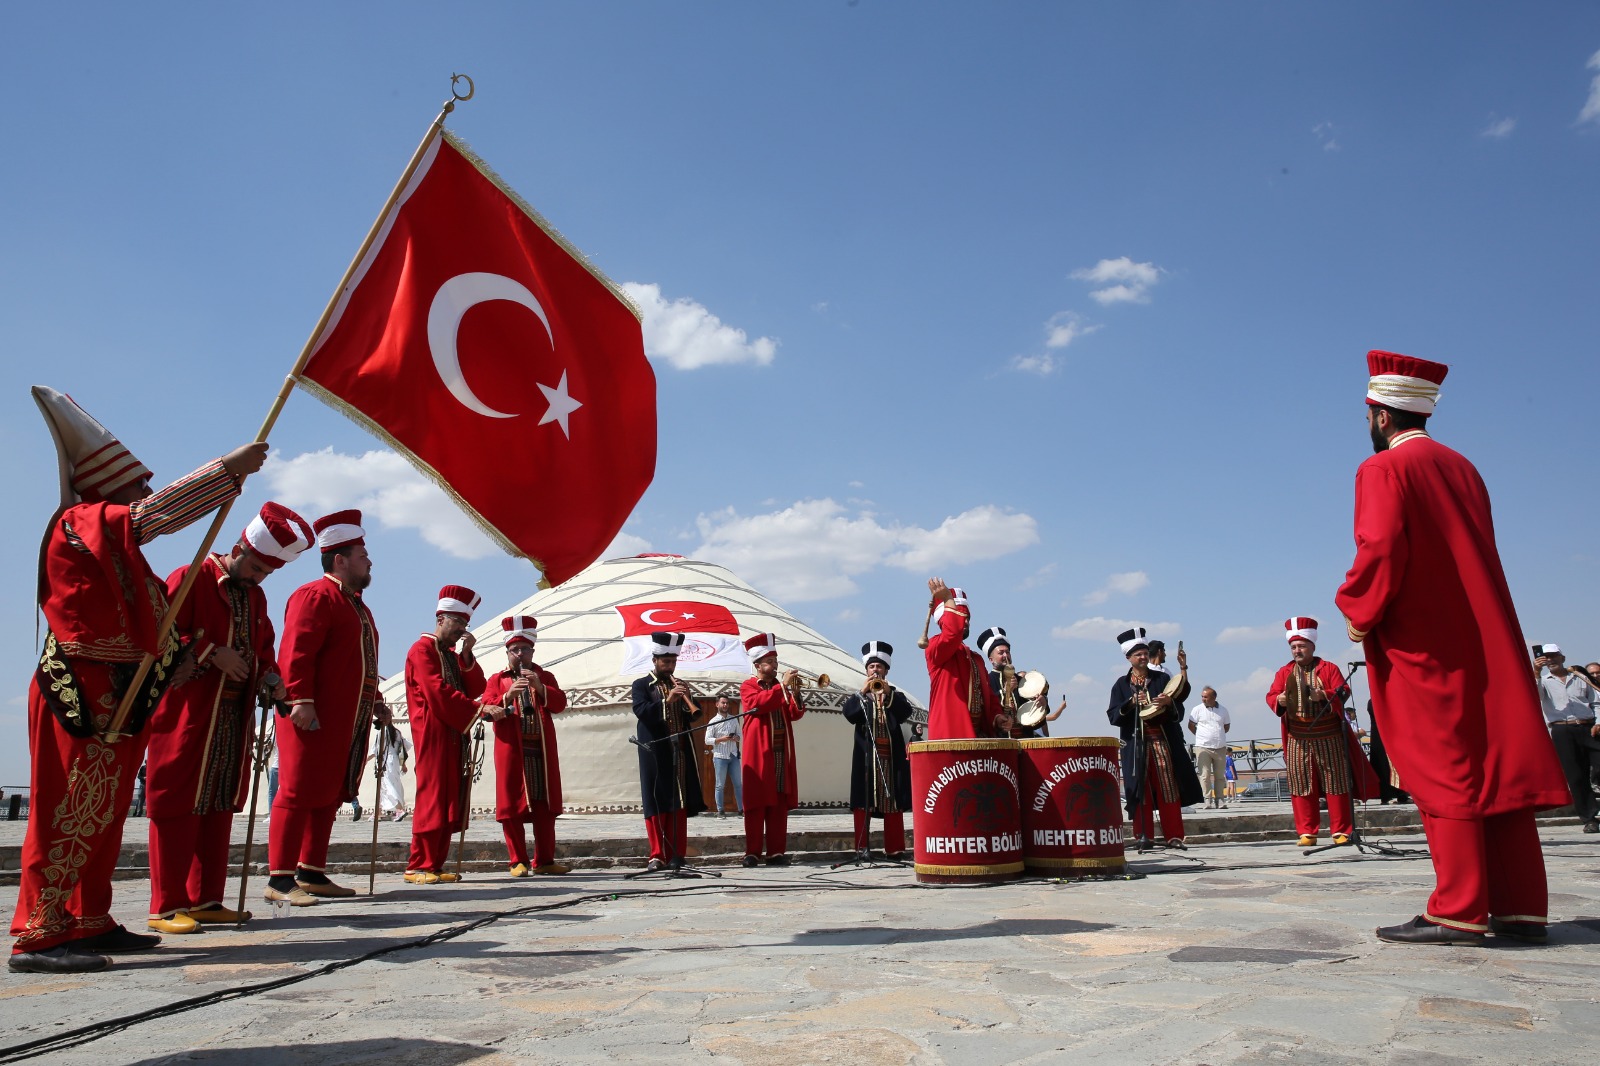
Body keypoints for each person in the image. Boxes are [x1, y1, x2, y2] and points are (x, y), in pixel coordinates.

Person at [11, 387, 263, 974]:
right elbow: (154, 517)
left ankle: (88, 917)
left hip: (119, 694)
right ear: (108, 488)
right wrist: (225, 472)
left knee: (103, 811)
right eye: (137, 484)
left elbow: (155, 619)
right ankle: (39, 931)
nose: (145, 493)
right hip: (80, 689)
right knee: (66, 811)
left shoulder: (119, 553)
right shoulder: (81, 522)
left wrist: (179, 662)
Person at [1336, 349, 1567, 945]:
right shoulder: (1464, 466)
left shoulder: (1383, 470)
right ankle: (1520, 905)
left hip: (1425, 642)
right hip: (1484, 634)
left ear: (1380, 416)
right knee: (1494, 760)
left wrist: (1357, 611)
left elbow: (1381, 549)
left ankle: (1459, 905)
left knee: (1446, 766)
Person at [144, 503, 312, 935]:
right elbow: (159, 630)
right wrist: (208, 653)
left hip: (232, 715)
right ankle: (166, 905)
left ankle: (206, 898)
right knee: (179, 802)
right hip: (189, 712)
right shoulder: (190, 576)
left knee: (218, 802)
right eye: (255, 567)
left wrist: (271, 677)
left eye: (266, 574)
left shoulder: (255, 596)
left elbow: (263, 649)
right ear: (238, 548)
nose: (258, 578)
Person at [268, 510, 383, 907]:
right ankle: (279, 878)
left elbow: (361, 661)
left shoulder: (357, 606)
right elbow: (296, 651)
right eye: (363, 555)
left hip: (345, 716)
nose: (370, 562)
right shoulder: (316, 595)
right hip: (311, 712)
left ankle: (311, 870)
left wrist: (378, 703)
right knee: (298, 790)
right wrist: (300, 698)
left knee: (328, 792)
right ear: (340, 559)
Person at [1264, 617, 1380, 846]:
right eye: (1294, 647)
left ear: (1312, 646)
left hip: (1329, 735)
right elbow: (1271, 695)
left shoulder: (1329, 668)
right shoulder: (1284, 671)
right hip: (1298, 737)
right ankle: (1307, 831)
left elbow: (1343, 690)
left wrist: (1325, 694)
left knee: (1335, 782)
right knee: (1301, 783)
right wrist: (1279, 699)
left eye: (1301, 646)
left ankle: (1341, 830)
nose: (1297, 650)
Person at [403, 586, 487, 884]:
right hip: (433, 732)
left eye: (465, 625)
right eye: (458, 624)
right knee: (433, 796)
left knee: (450, 797)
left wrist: (466, 655)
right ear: (442, 618)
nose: (461, 631)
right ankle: (417, 864)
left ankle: (435, 864)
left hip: (453, 733)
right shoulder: (422, 650)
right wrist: (479, 711)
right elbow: (437, 692)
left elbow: (476, 688)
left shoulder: (450, 655)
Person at [480, 614, 569, 876]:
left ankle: (544, 860)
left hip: (541, 752)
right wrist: (508, 695)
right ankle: (517, 860)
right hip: (512, 752)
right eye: (514, 650)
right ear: (507, 652)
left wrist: (540, 687)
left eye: (524, 649)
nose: (520, 654)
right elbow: (484, 709)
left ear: (533, 650)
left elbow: (560, 703)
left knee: (545, 806)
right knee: (512, 807)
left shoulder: (545, 675)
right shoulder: (498, 679)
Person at [1106, 627, 1201, 850]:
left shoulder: (1161, 678)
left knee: (1168, 788)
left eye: (1144, 652)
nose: (1142, 656)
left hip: (1161, 742)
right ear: (1128, 658)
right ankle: (1143, 835)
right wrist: (1130, 703)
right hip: (1135, 744)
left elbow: (1178, 699)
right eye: (1137, 654)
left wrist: (1169, 704)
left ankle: (1175, 836)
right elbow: (1113, 715)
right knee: (1140, 790)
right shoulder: (1121, 684)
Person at [631, 632, 707, 870]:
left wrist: (687, 700)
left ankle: (677, 854)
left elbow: (691, 716)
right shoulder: (642, 685)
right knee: (656, 802)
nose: (670, 666)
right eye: (666, 662)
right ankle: (656, 855)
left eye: (673, 662)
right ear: (655, 660)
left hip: (679, 752)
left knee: (679, 803)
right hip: (654, 752)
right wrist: (667, 702)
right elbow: (641, 711)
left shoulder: (680, 684)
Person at [840, 641, 914, 860]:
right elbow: (849, 714)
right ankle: (862, 848)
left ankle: (895, 848)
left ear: (886, 671)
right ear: (866, 670)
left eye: (879, 667)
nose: (875, 670)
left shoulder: (896, 696)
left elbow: (903, 713)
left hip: (890, 759)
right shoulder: (860, 697)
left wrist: (888, 693)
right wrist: (862, 692)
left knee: (892, 802)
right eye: (871, 667)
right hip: (866, 758)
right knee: (864, 803)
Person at [739, 633, 805, 866]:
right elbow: (759, 705)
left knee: (778, 803)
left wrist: (795, 694)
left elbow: (795, 714)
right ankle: (753, 852)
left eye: (776, 662)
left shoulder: (780, 687)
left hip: (780, 752)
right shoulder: (748, 686)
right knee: (757, 804)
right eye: (770, 662)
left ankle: (776, 852)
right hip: (759, 754)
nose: (775, 666)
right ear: (757, 665)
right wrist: (783, 688)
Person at [923, 579, 1009, 740]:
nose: (966, 621)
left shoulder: (976, 659)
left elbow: (988, 697)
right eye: (960, 616)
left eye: (967, 616)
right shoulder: (934, 648)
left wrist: (997, 717)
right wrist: (948, 598)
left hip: (978, 736)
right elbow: (952, 633)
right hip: (952, 737)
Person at [1531, 643, 1600, 833]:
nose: (1550, 660)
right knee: (1576, 776)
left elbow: (1595, 700)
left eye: (1554, 656)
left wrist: (1598, 721)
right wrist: (1536, 671)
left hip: (1589, 727)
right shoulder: (1543, 681)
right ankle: (1589, 818)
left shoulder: (1579, 678)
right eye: (1546, 657)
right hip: (1562, 730)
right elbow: (1535, 695)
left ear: (1562, 658)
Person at [1186, 687, 1231, 809]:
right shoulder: (1197, 710)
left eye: (1206, 697)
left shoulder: (1223, 710)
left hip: (1220, 747)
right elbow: (1190, 725)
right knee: (1204, 775)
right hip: (1202, 747)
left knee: (1219, 775)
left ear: (1214, 697)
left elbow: (1226, 727)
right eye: (1202, 696)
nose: (1203, 699)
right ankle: (1207, 799)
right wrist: (1201, 735)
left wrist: (1217, 735)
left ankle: (1220, 799)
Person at [703, 696, 744, 817]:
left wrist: (737, 738)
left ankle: (741, 810)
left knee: (738, 784)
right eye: (723, 703)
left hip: (733, 755)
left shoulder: (734, 719)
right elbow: (707, 740)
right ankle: (720, 810)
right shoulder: (713, 721)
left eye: (727, 703)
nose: (725, 705)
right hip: (720, 756)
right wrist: (721, 739)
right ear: (717, 705)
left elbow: (740, 735)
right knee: (720, 784)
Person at [369, 719, 412, 820]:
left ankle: (399, 810)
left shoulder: (381, 732)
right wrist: (403, 765)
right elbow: (402, 750)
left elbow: (375, 750)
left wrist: (365, 760)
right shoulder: (397, 732)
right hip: (394, 762)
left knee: (388, 785)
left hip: (385, 762)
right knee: (385, 786)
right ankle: (378, 811)